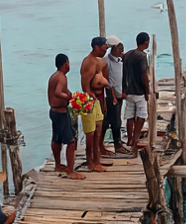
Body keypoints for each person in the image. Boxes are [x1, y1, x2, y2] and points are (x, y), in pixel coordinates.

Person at [47, 54, 85, 179]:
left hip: (54, 111)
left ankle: (58, 165)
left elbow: (61, 90)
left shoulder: (54, 76)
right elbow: (58, 92)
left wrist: (70, 94)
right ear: (66, 63)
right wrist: (68, 97)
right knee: (71, 141)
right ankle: (70, 170)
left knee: (56, 139)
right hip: (61, 112)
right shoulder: (62, 77)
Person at [79, 37, 112, 172]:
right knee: (90, 134)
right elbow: (85, 85)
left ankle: (98, 161)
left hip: (98, 99)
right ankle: (90, 163)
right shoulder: (88, 62)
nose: (105, 50)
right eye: (105, 47)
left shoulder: (97, 61)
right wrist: (90, 97)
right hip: (89, 101)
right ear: (97, 47)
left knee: (98, 131)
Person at [122, 32, 151, 153]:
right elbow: (144, 75)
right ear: (146, 42)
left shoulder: (127, 55)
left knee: (129, 116)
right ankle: (135, 138)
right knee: (142, 116)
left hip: (129, 91)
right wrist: (147, 91)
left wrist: (124, 89)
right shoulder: (142, 56)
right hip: (139, 92)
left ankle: (129, 138)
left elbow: (123, 73)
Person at [101, 36, 127, 154]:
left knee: (115, 120)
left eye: (122, 48)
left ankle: (116, 143)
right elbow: (107, 80)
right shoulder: (107, 61)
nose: (121, 50)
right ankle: (117, 145)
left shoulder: (121, 61)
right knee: (113, 121)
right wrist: (113, 95)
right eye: (119, 48)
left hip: (120, 95)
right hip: (111, 96)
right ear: (113, 48)